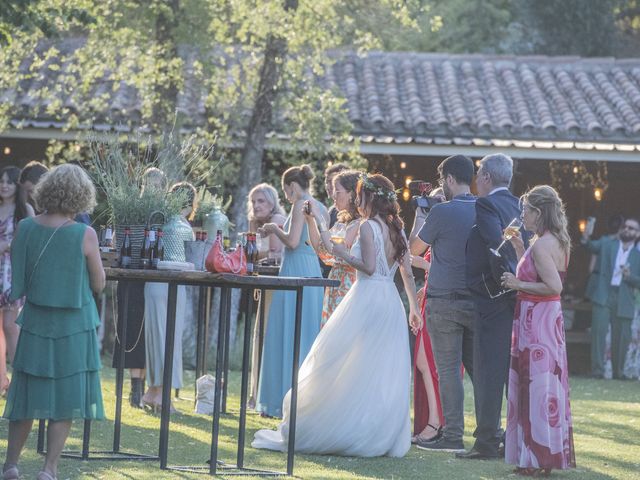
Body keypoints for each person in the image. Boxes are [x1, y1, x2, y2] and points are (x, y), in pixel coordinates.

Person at [252, 173, 422, 457]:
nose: (358, 200)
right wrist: (413, 308)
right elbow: (406, 272)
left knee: (339, 360)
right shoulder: (397, 229)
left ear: (370, 197)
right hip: (391, 302)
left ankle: (349, 426)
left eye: (360, 195)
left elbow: (367, 267)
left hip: (366, 297)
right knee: (377, 367)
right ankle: (373, 428)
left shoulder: (368, 227)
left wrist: (344, 253)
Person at [2, 163, 105, 480]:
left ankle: (11, 465)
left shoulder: (26, 228)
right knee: (65, 398)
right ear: (81, 196)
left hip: (35, 323)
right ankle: (49, 468)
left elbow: (17, 283)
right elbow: (98, 284)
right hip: (74, 325)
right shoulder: (85, 234)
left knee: (26, 395)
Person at [458, 153, 529, 460]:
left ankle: (487, 441)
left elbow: (494, 245)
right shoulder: (521, 207)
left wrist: (506, 285)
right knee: (511, 371)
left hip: (494, 299)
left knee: (488, 370)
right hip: (520, 298)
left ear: (485, 176)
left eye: (478, 175)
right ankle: (512, 439)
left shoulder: (487, 205)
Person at [501, 185, 576, 476]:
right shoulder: (554, 240)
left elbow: (553, 286)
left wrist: (517, 284)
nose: (523, 215)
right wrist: (520, 248)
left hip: (538, 322)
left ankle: (534, 459)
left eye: (526, 210)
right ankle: (542, 458)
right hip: (546, 321)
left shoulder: (544, 244)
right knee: (545, 387)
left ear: (539, 212)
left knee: (535, 387)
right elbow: (543, 272)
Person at [409, 154, 476, 452]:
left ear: (449, 179)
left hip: (444, 300)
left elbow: (414, 249)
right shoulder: (486, 208)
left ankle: (451, 435)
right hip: (479, 301)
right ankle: (491, 432)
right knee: (480, 371)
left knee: (447, 371)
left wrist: (422, 215)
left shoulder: (442, 212)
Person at [255, 165, 327, 418]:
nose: (286, 197)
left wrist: (274, 229)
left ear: (293, 187)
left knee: (286, 332)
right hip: (313, 270)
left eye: (286, 191)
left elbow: (294, 241)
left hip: (295, 268)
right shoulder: (320, 205)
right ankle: (305, 401)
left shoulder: (300, 204)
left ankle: (281, 400)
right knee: (306, 333)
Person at [113, 166, 168, 408]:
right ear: (143, 186)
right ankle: (135, 389)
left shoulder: (165, 213)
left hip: (155, 277)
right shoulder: (130, 209)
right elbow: (118, 241)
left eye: (157, 185)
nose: (152, 190)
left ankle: (145, 388)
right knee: (131, 329)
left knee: (150, 332)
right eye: (149, 184)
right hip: (132, 273)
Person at [142, 181, 197, 412]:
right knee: (170, 338)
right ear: (192, 203)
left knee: (156, 338)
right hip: (172, 284)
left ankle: (152, 392)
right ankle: (164, 397)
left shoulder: (160, 221)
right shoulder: (183, 226)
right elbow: (194, 257)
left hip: (153, 284)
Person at [582, 217, 640, 379]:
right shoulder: (607, 243)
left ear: (637, 234)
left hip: (624, 297)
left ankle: (618, 372)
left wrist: (629, 277)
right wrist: (586, 235)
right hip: (604, 293)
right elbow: (589, 246)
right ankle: (597, 370)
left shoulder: (638, 256)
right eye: (626, 226)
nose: (627, 229)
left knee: (621, 336)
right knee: (598, 333)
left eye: (632, 228)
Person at [246, 183, 287, 409]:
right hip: (262, 284)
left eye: (261, 201)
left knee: (266, 335)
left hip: (274, 285)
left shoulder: (277, 221)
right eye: (253, 201)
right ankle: (255, 393)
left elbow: (273, 256)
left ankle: (262, 395)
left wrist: (247, 248)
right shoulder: (256, 224)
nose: (256, 205)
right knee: (259, 336)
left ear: (272, 202)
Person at [410, 187, 445, 445]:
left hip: (440, 301)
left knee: (429, 363)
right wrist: (419, 215)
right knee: (424, 362)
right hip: (429, 296)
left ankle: (436, 422)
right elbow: (413, 249)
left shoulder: (448, 231)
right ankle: (434, 419)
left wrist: (425, 266)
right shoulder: (435, 229)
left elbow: (419, 257)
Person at [307, 170, 360, 327]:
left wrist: (320, 219)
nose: (333, 196)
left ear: (351, 194)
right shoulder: (341, 223)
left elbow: (333, 250)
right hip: (335, 282)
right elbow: (321, 250)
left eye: (338, 191)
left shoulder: (359, 224)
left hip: (348, 285)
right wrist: (310, 220)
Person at [1, 167, 35, 366]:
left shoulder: (25, 210)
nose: (4, 185)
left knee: (10, 325)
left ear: (17, 186)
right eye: (1, 181)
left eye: (9, 182)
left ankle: (18, 375)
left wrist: (7, 245)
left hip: (12, 272)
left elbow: (30, 240)